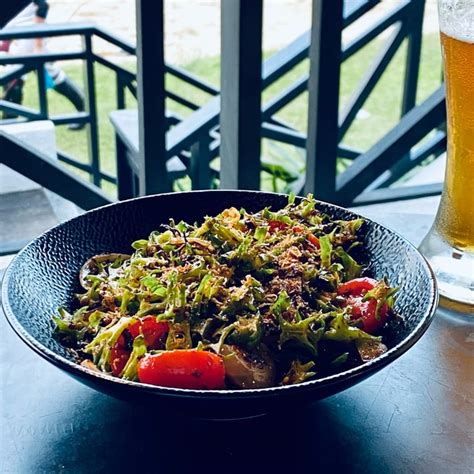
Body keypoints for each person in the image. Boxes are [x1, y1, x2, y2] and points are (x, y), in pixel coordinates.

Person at [1, 0, 85, 130]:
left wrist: (38, 44)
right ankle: (83, 108)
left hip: (30, 33)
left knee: (15, 77)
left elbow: (42, 6)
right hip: (17, 33)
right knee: (49, 73)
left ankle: (8, 125)